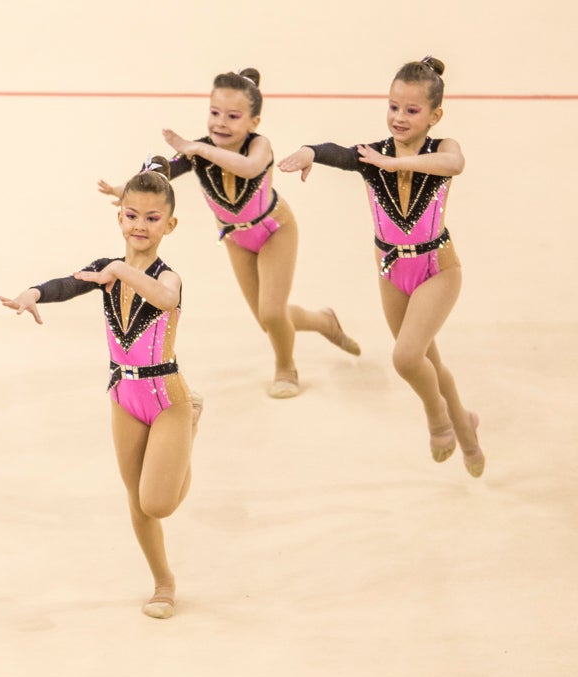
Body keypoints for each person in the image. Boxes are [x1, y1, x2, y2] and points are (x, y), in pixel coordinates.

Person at [0, 166, 200, 619]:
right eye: (131, 216)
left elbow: (166, 299)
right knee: (136, 501)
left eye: (152, 219)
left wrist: (117, 271)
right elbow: (68, 284)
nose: (139, 226)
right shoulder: (105, 270)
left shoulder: (168, 276)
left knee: (158, 502)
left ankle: (190, 427)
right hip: (123, 397)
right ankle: (163, 582)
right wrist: (33, 292)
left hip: (167, 396)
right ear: (120, 218)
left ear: (169, 225)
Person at [278, 56, 483, 477]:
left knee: (407, 358)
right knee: (429, 362)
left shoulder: (440, 149)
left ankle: (439, 420)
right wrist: (309, 151)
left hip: (438, 268)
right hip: (392, 272)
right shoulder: (372, 154)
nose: (399, 117)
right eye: (393, 107)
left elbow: (454, 165)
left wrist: (394, 164)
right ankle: (465, 424)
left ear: (434, 115)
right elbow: (338, 152)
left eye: (412, 110)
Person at [98, 69, 360, 399]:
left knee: (272, 312)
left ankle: (286, 368)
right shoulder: (198, 149)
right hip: (236, 240)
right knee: (268, 318)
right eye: (215, 113)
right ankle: (324, 322)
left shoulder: (259, 145)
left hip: (275, 230)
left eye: (233, 116)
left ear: (254, 121)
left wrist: (198, 149)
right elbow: (162, 175)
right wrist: (126, 188)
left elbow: (248, 168)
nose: (221, 122)